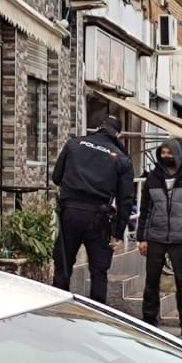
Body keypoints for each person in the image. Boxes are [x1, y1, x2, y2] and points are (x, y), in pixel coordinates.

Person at [51, 106, 135, 306]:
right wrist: (118, 232)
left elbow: (56, 177)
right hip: (98, 217)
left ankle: (56, 308)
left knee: (63, 266)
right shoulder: (122, 159)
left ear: (99, 128)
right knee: (98, 271)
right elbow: (125, 199)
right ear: (119, 134)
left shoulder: (73, 144)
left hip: (69, 213)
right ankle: (97, 313)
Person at [137, 141, 182, 337]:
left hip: (181, 237)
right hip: (155, 236)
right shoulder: (153, 177)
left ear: (177, 154)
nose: (166, 156)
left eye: (169, 152)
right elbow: (145, 210)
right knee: (151, 281)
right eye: (163, 152)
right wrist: (142, 237)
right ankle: (150, 319)